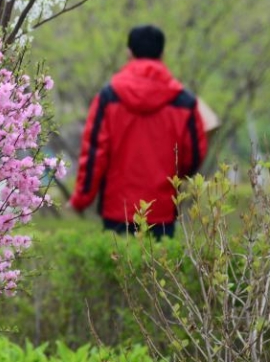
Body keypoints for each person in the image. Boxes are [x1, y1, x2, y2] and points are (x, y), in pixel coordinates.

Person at [69, 25, 207, 237]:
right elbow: (194, 155)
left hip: (117, 211)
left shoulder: (109, 97)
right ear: (162, 54)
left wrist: (81, 199)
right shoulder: (184, 101)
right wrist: (174, 180)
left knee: (119, 268)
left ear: (129, 53)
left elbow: (95, 153)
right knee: (159, 269)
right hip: (162, 211)